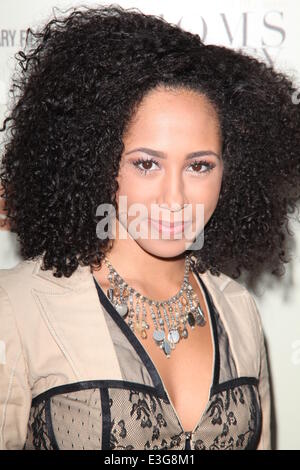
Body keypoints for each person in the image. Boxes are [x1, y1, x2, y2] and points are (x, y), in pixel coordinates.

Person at [0, 4, 299, 451]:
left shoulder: (238, 311)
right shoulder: (16, 307)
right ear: (96, 158)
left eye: (199, 166)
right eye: (146, 163)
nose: (174, 198)